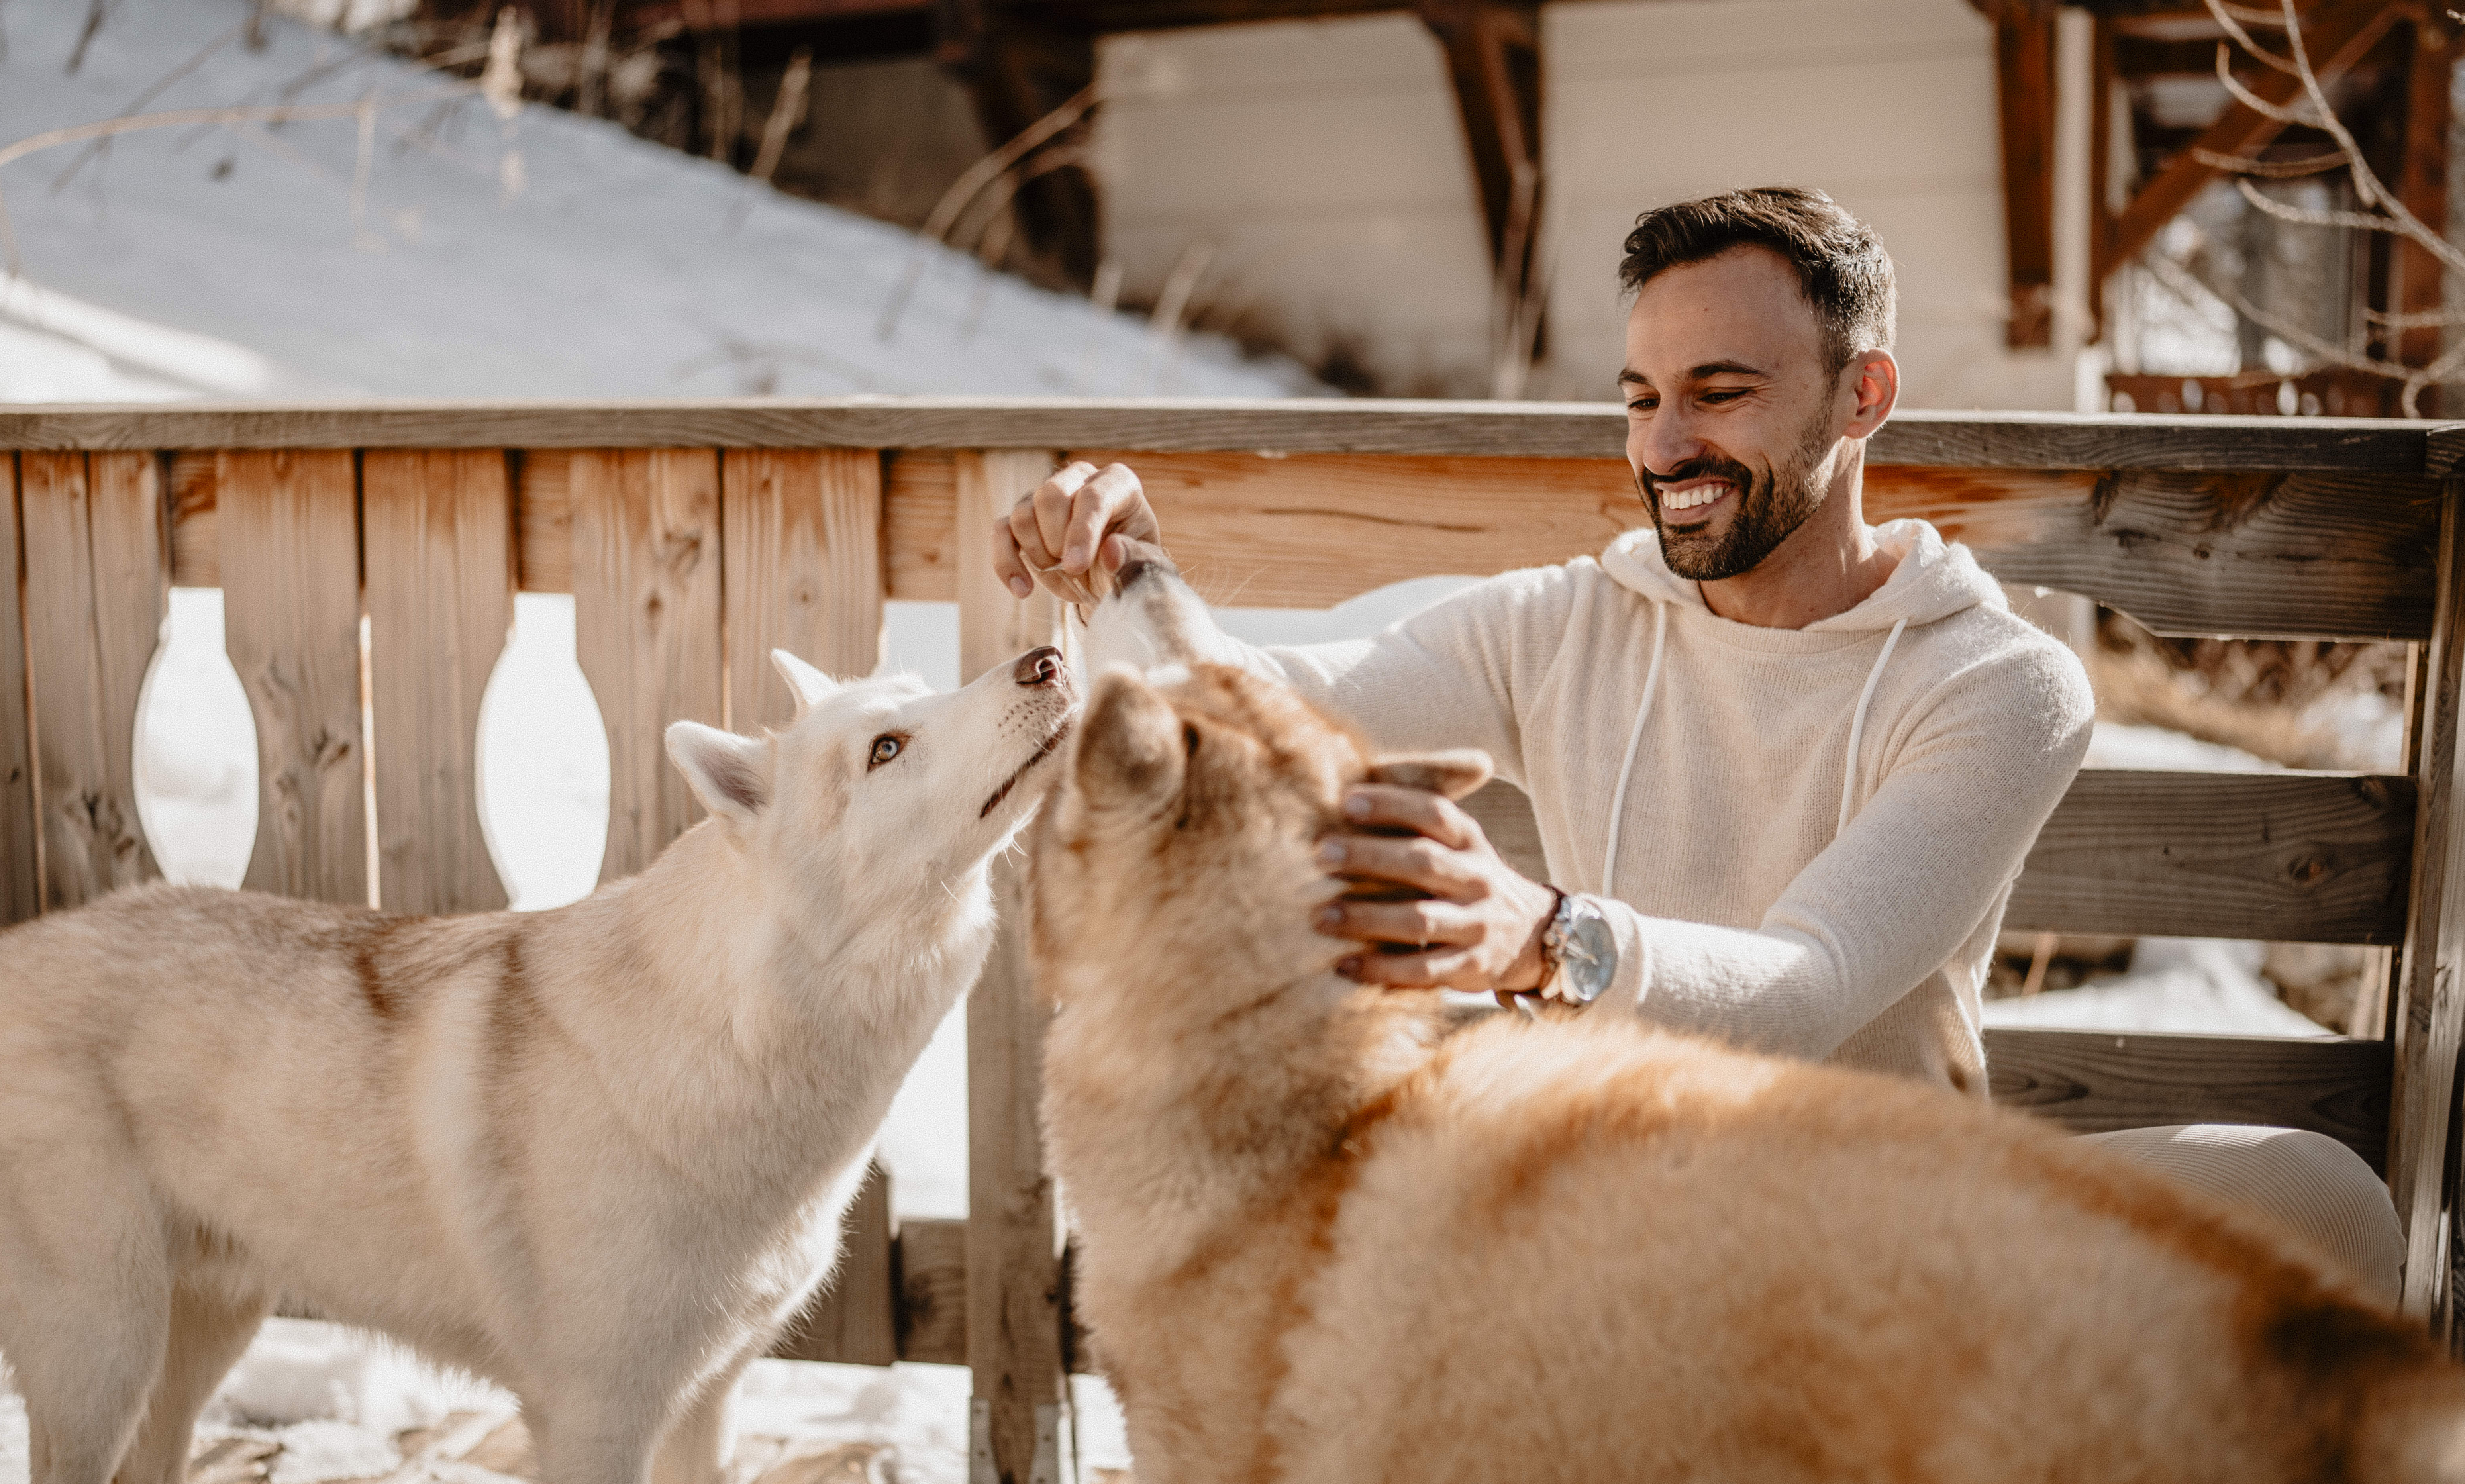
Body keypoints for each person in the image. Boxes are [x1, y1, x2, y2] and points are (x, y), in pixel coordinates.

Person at [992, 185, 2405, 1306]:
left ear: (1864, 396)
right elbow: (1271, 704)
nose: (1667, 445)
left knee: (2321, 1195)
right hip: (1622, 1215)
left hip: (1905, 1232)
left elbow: (1809, 984)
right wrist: (1127, 572)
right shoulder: (1568, 621)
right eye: (1640, 397)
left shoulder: (1999, 681)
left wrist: (1543, 938)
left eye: (1721, 392)